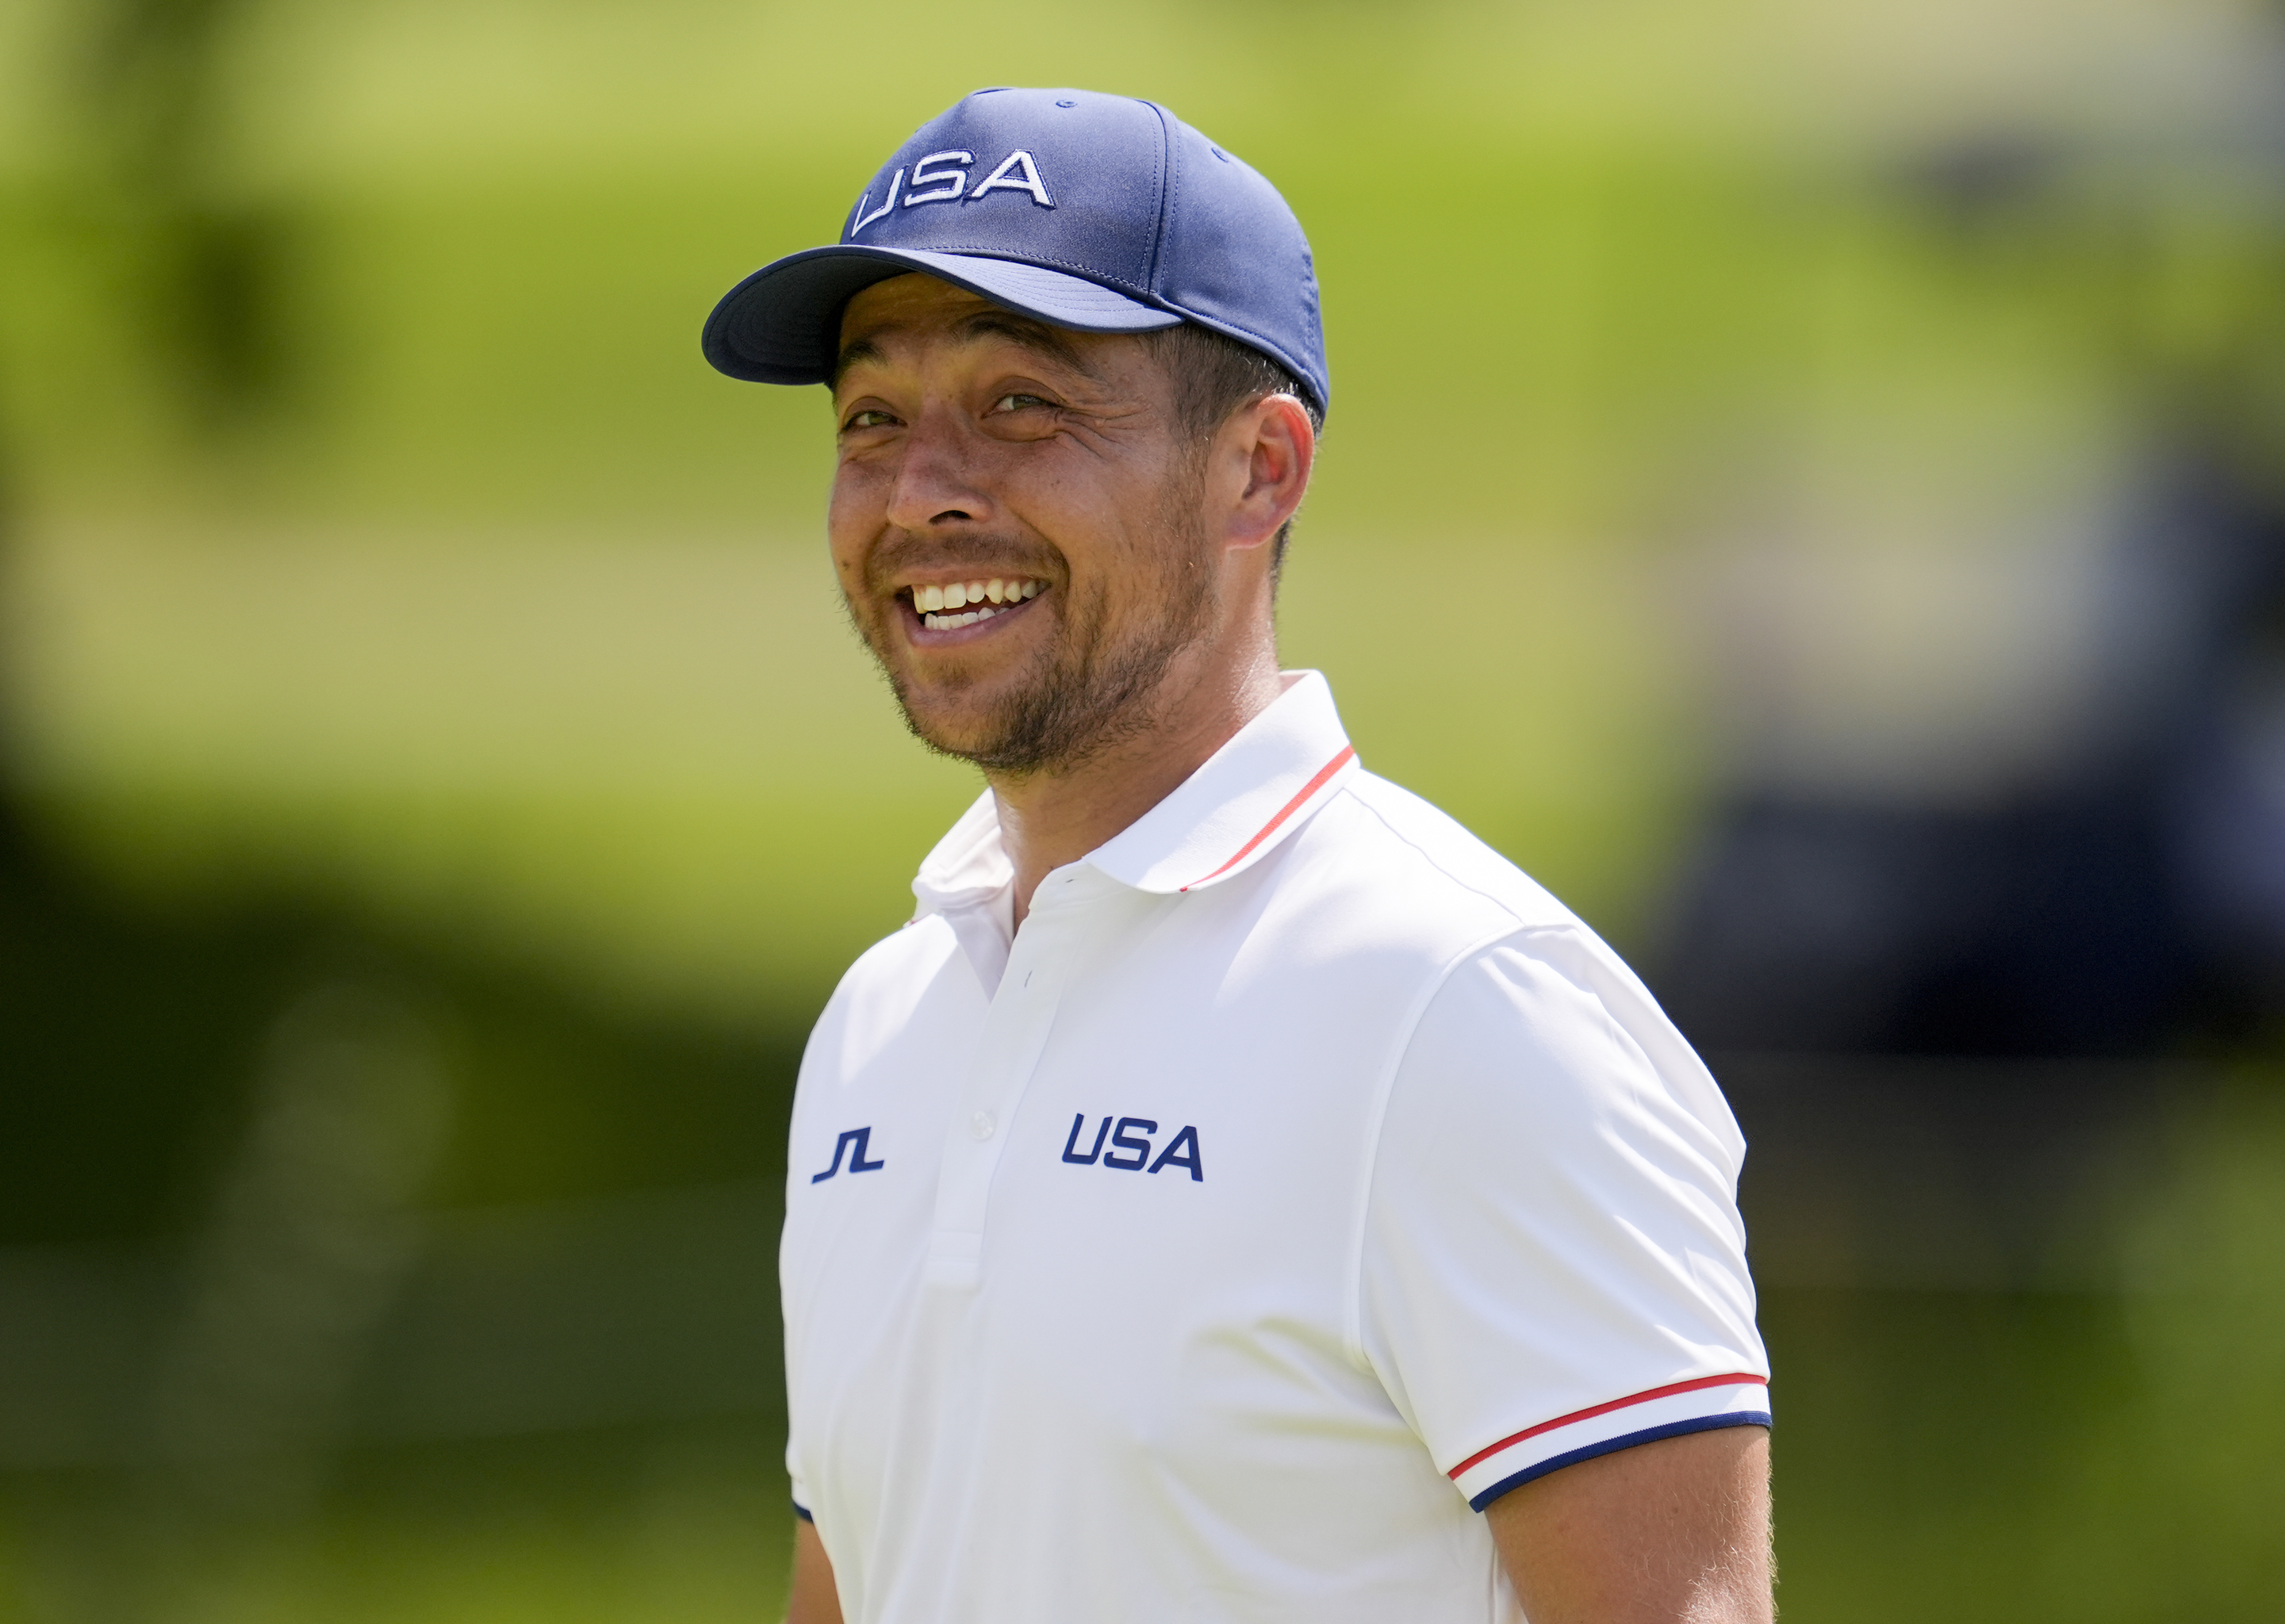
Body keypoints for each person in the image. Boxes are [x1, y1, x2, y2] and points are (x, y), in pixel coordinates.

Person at [700, 86, 1773, 1624]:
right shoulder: (881, 1025)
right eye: (872, 417)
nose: (921, 488)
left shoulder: (1468, 1011)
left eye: (1023, 406)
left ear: (1260, 468)